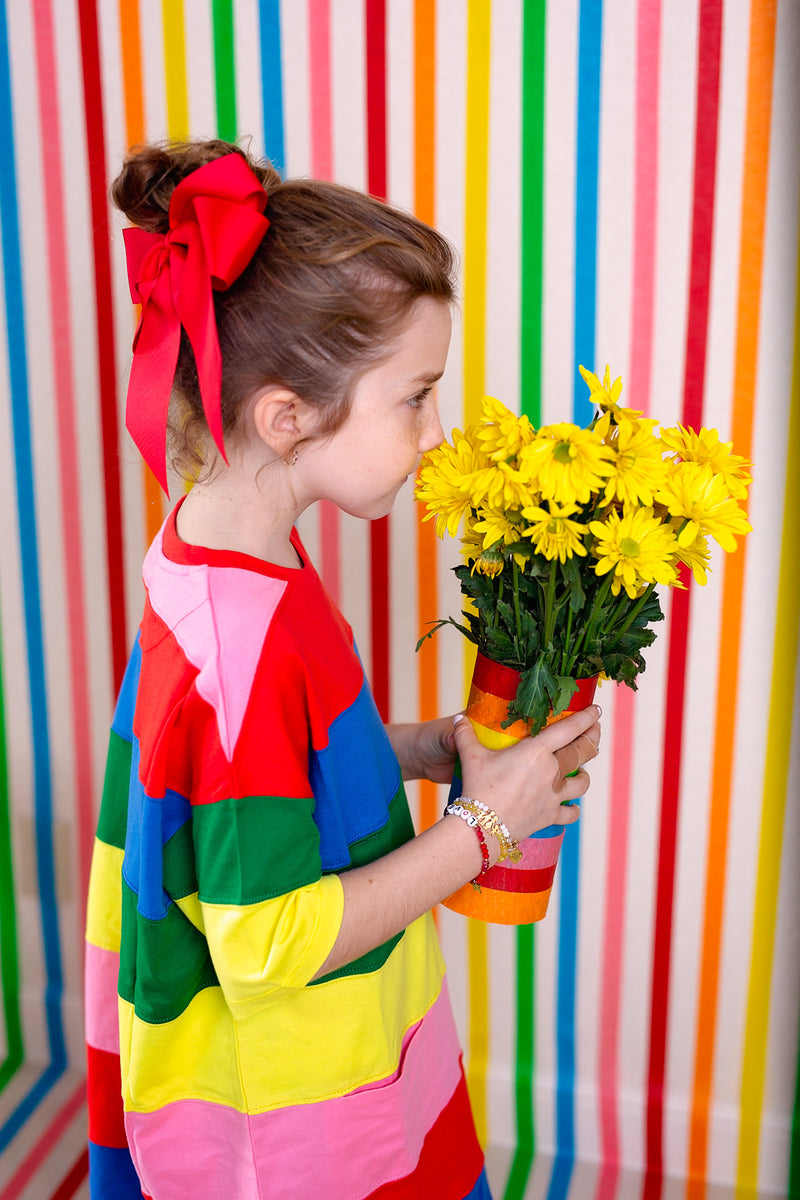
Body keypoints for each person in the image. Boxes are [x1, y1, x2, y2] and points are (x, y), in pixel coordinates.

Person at [84, 139, 601, 1200]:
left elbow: (246, 789)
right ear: (288, 417)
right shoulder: (244, 650)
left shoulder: (225, 538)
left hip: (325, 1054)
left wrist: (415, 749)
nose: (436, 429)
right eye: (414, 396)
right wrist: (485, 829)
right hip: (281, 1116)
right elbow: (270, 950)